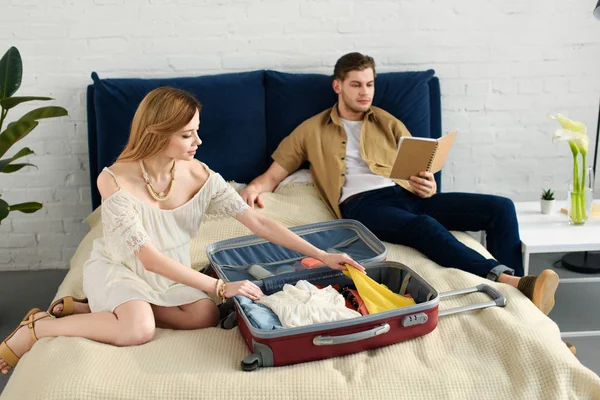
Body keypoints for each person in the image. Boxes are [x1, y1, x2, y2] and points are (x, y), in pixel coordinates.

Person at [0, 87, 364, 376]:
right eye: (188, 135)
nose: (198, 142)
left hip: (169, 271)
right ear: (157, 134)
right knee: (138, 329)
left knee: (204, 314)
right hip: (121, 268)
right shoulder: (113, 180)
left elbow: (259, 222)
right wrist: (220, 286)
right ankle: (37, 328)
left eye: (197, 132)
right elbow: (147, 258)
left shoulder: (199, 175)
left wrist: (323, 254)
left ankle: (85, 309)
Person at [239, 52, 560, 316]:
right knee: (424, 226)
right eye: (356, 85)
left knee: (500, 207)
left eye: (369, 84)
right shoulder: (311, 129)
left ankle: (527, 301)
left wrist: (428, 185)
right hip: (364, 204)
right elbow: (272, 176)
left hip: (407, 194)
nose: (365, 92)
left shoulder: (386, 121)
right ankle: (511, 281)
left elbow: (418, 167)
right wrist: (252, 190)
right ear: (337, 86)